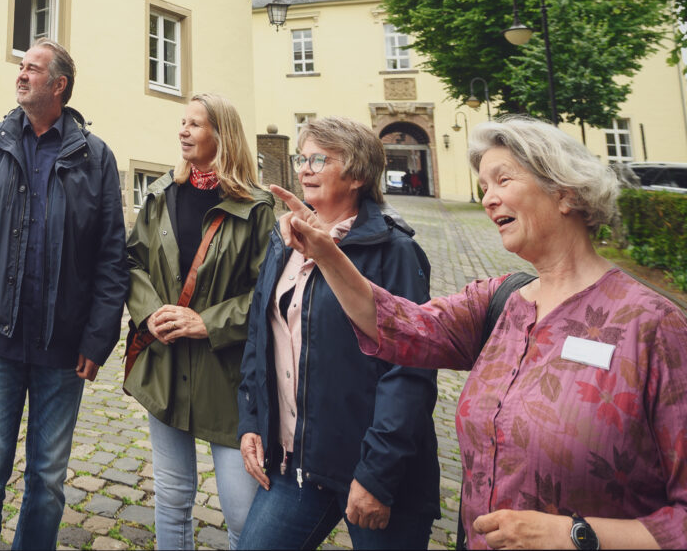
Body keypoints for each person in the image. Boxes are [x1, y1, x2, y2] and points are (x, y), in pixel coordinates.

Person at [280, 118, 687, 551]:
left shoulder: (652, 326)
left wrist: (576, 534)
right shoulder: (501, 302)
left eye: (503, 179)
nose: (488, 199)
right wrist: (327, 254)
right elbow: (400, 326)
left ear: (566, 191)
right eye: (482, 185)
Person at [0, 37, 127, 551]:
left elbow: (113, 256)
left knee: (46, 483)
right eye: (21, 66)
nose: (20, 74)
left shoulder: (97, 158)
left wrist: (98, 338)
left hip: (63, 352)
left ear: (59, 85)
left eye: (32, 68)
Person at [237, 117, 439, 551]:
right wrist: (253, 420)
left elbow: (410, 372)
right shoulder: (285, 240)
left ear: (359, 175)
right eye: (301, 158)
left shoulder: (394, 251)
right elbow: (260, 335)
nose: (304, 168)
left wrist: (377, 476)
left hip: (372, 472)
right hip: (298, 464)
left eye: (319, 159)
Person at [126, 92, 276, 549]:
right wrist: (150, 314)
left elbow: (270, 295)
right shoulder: (159, 196)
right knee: (171, 498)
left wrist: (207, 322)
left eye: (194, 124)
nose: (183, 131)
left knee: (241, 513)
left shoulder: (257, 207)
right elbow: (131, 263)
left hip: (228, 379)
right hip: (166, 368)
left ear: (221, 135)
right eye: (182, 123)